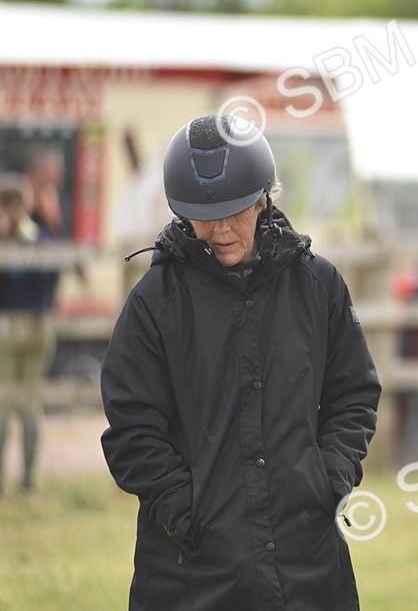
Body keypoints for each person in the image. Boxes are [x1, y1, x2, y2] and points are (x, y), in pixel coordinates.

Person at [100, 114, 381, 611]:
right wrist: (186, 513)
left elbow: (353, 394)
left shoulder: (319, 285)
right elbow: (132, 429)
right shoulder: (153, 303)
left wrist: (328, 478)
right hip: (191, 572)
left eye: (235, 211)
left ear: (262, 198)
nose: (222, 229)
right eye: (205, 216)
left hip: (308, 563)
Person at [0, 173, 60, 495]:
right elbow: (54, 275)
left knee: (2, 404)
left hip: (6, 326)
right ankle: (28, 482)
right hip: (39, 324)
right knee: (31, 404)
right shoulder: (39, 235)